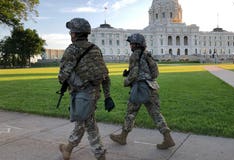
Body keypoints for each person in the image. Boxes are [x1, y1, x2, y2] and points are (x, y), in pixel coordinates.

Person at [58, 18, 114, 160]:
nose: (70, 34)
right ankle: (68, 148)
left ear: (75, 34)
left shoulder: (72, 50)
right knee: (86, 122)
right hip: (94, 93)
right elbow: (105, 74)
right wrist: (107, 96)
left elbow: (62, 76)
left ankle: (99, 154)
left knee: (89, 125)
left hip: (82, 94)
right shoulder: (95, 49)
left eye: (71, 31)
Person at [110, 33, 175, 149]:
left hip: (140, 88)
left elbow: (134, 74)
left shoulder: (135, 55)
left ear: (136, 44)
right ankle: (168, 138)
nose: (130, 45)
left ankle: (123, 137)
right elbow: (155, 73)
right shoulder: (148, 55)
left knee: (131, 112)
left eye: (131, 43)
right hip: (152, 87)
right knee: (156, 114)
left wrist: (126, 81)